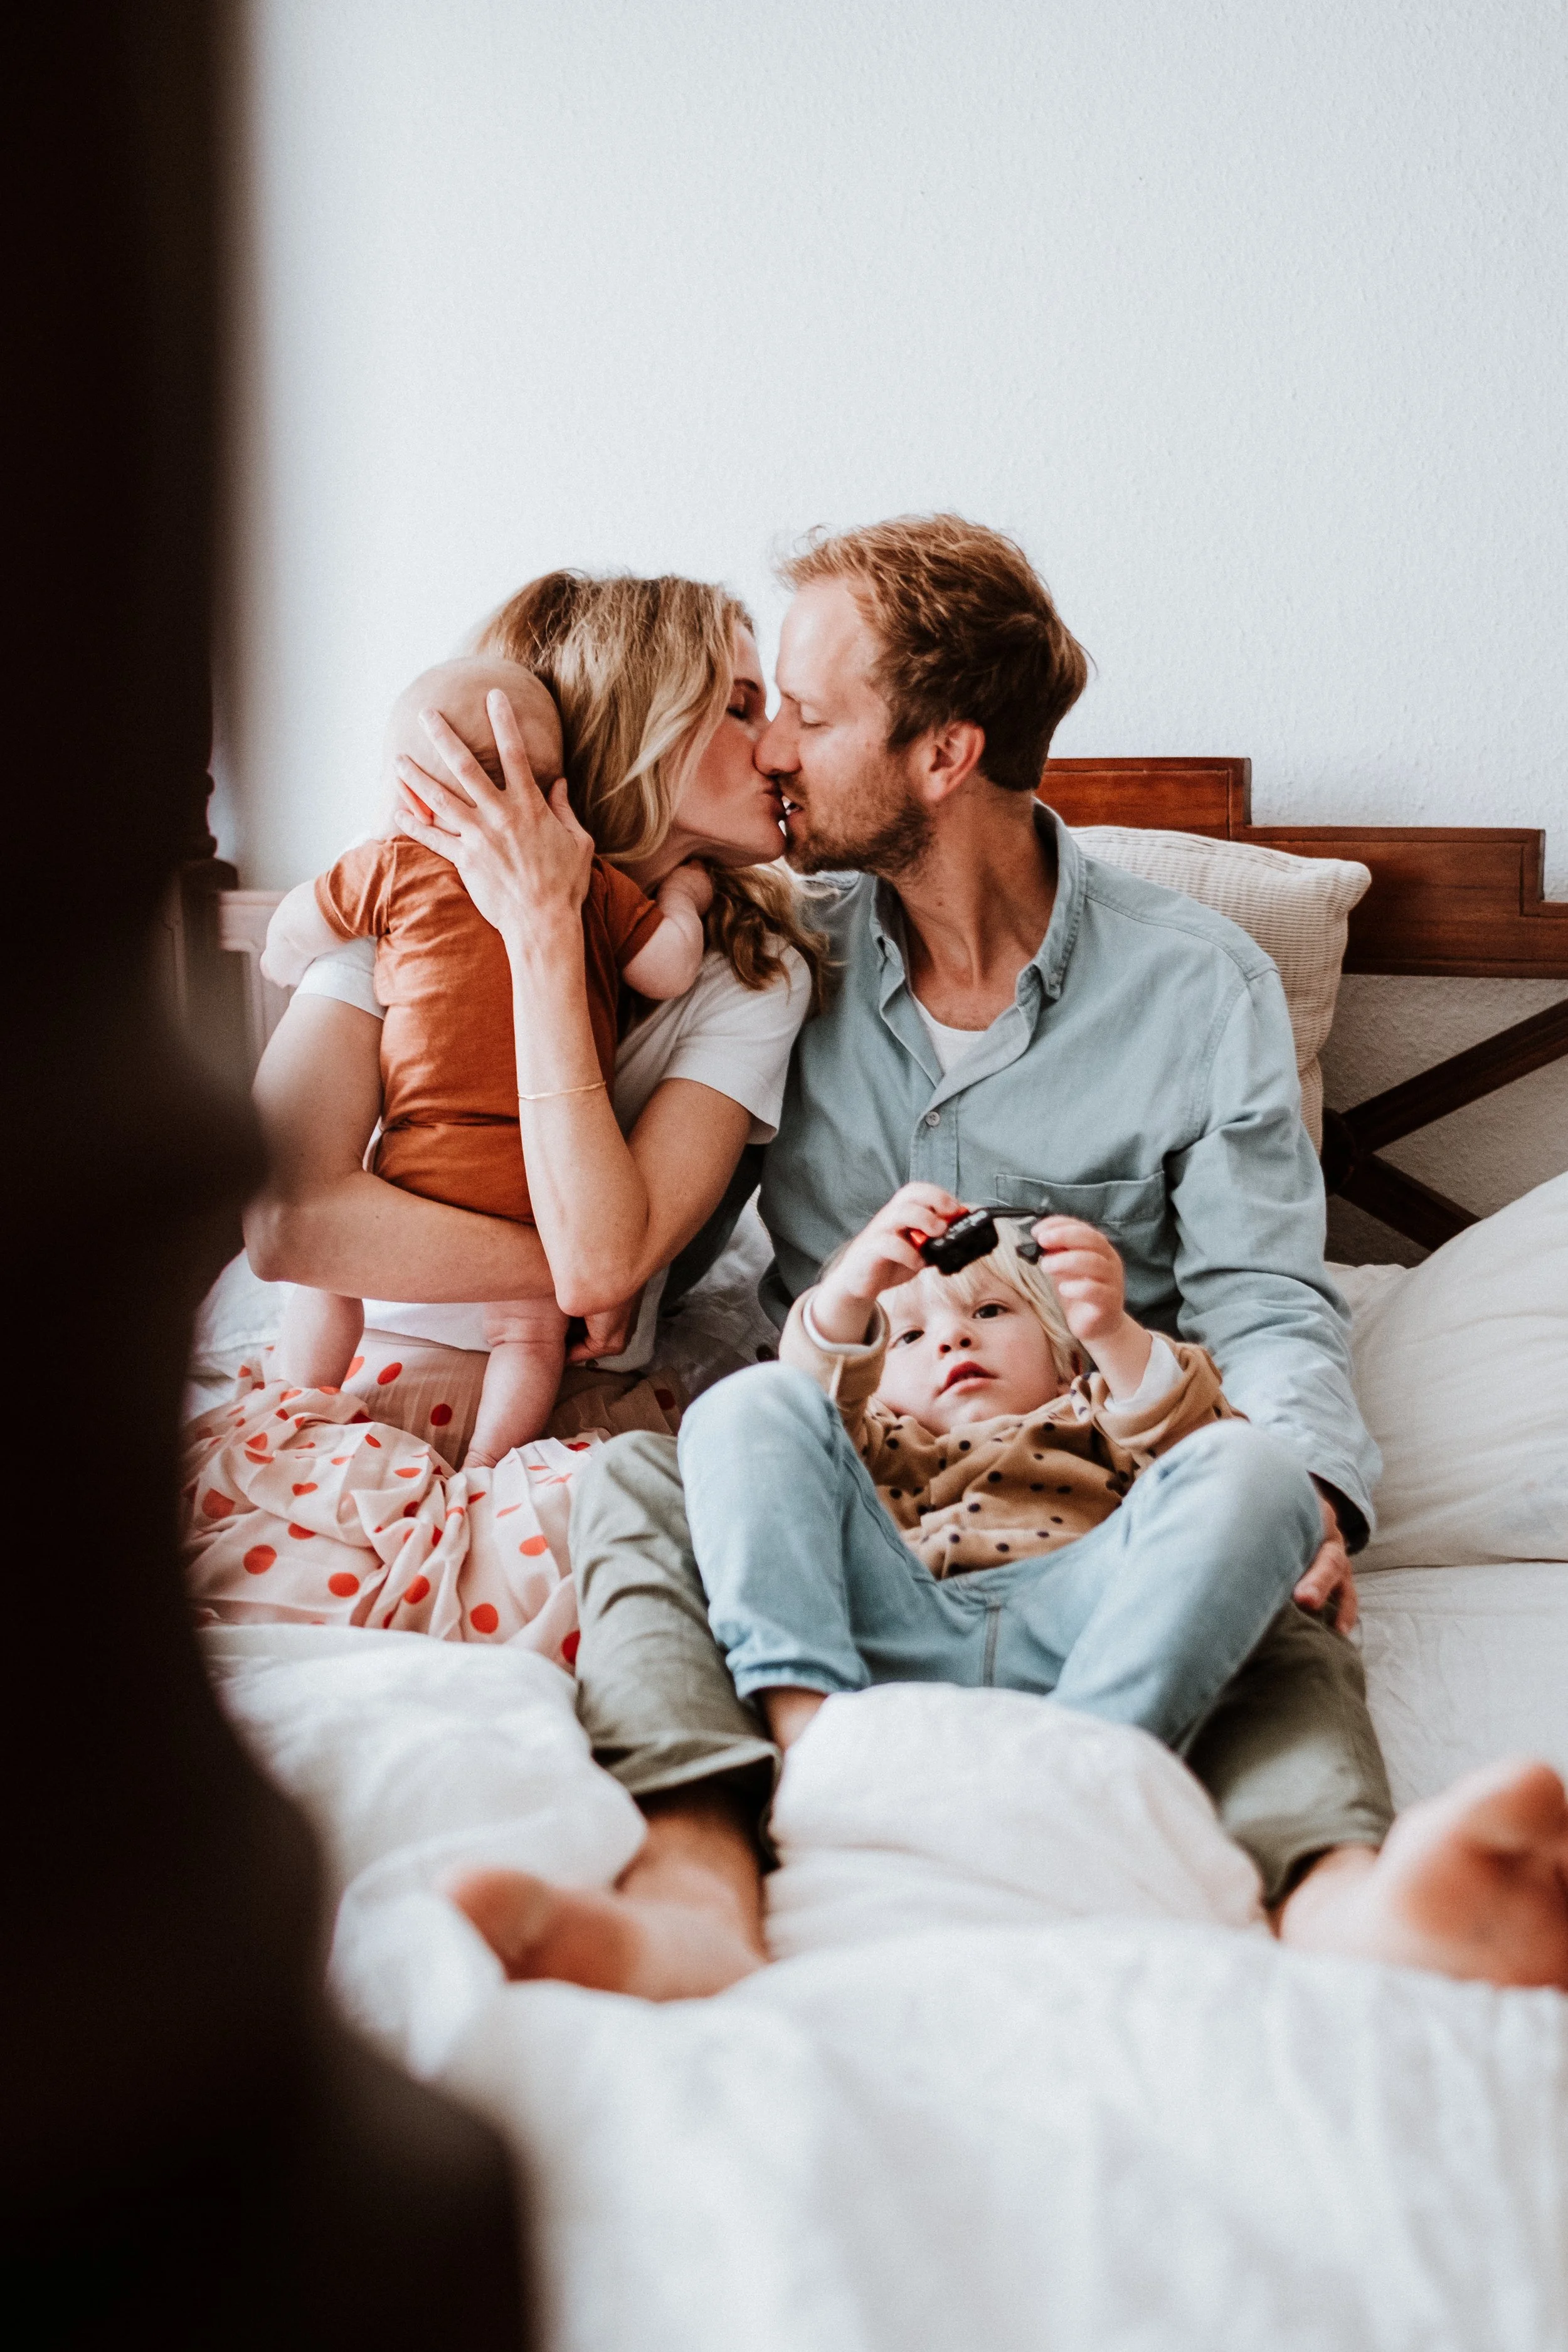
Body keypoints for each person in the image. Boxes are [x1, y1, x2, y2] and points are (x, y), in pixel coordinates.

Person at [450, 514, 1568, 2001]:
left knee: (1268, 1516)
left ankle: (1332, 1898)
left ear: (942, 754)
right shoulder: (775, 962)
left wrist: (1308, 1488)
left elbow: (1260, 1297)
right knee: (638, 1484)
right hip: (836, 1526)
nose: (770, 747)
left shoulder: (1198, 983)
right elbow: (637, 1262)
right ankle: (695, 1883)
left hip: (1098, 1525)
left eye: (808, 713)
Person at [244, 575, 825, 1474]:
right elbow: (284, 1225)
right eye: (742, 707)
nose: (781, 749)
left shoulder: (752, 970)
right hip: (359, 1376)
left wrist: (549, 927)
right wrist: (567, 1272)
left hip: (571, 1398)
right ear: (641, 726)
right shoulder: (414, 884)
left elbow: (612, 1263)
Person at [683, 1187, 1316, 1762]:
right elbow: (807, 1412)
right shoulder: (873, 1442)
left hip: (1085, 1634)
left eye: (988, 1311)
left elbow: (1198, 1445)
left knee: (1255, 1462)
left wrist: (1109, 1331)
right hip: (895, 1627)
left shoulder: (1100, 1415)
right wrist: (849, 1295)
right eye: (908, 1337)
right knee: (754, 1397)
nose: (952, 1338)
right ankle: (810, 1732)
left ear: (1064, 1359)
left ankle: (1091, 1759)